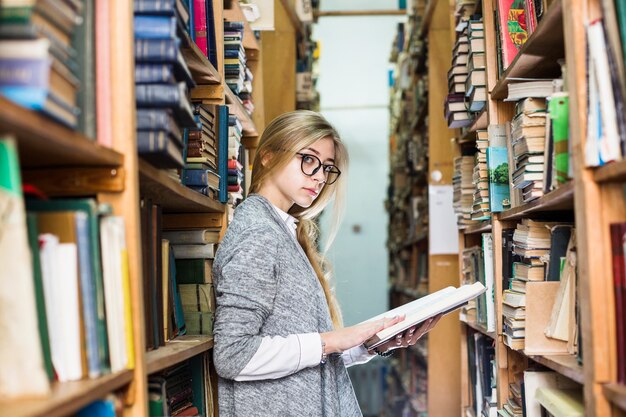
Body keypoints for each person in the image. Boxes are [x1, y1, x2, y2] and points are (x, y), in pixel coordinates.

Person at [212, 110, 440, 416]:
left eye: (327, 168)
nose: (319, 176)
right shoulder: (258, 232)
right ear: (267, 156)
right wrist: (332, 340)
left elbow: (306, 354)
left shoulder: (283, 230)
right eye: (309, 159)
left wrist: (371, 343)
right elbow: (233, 355)